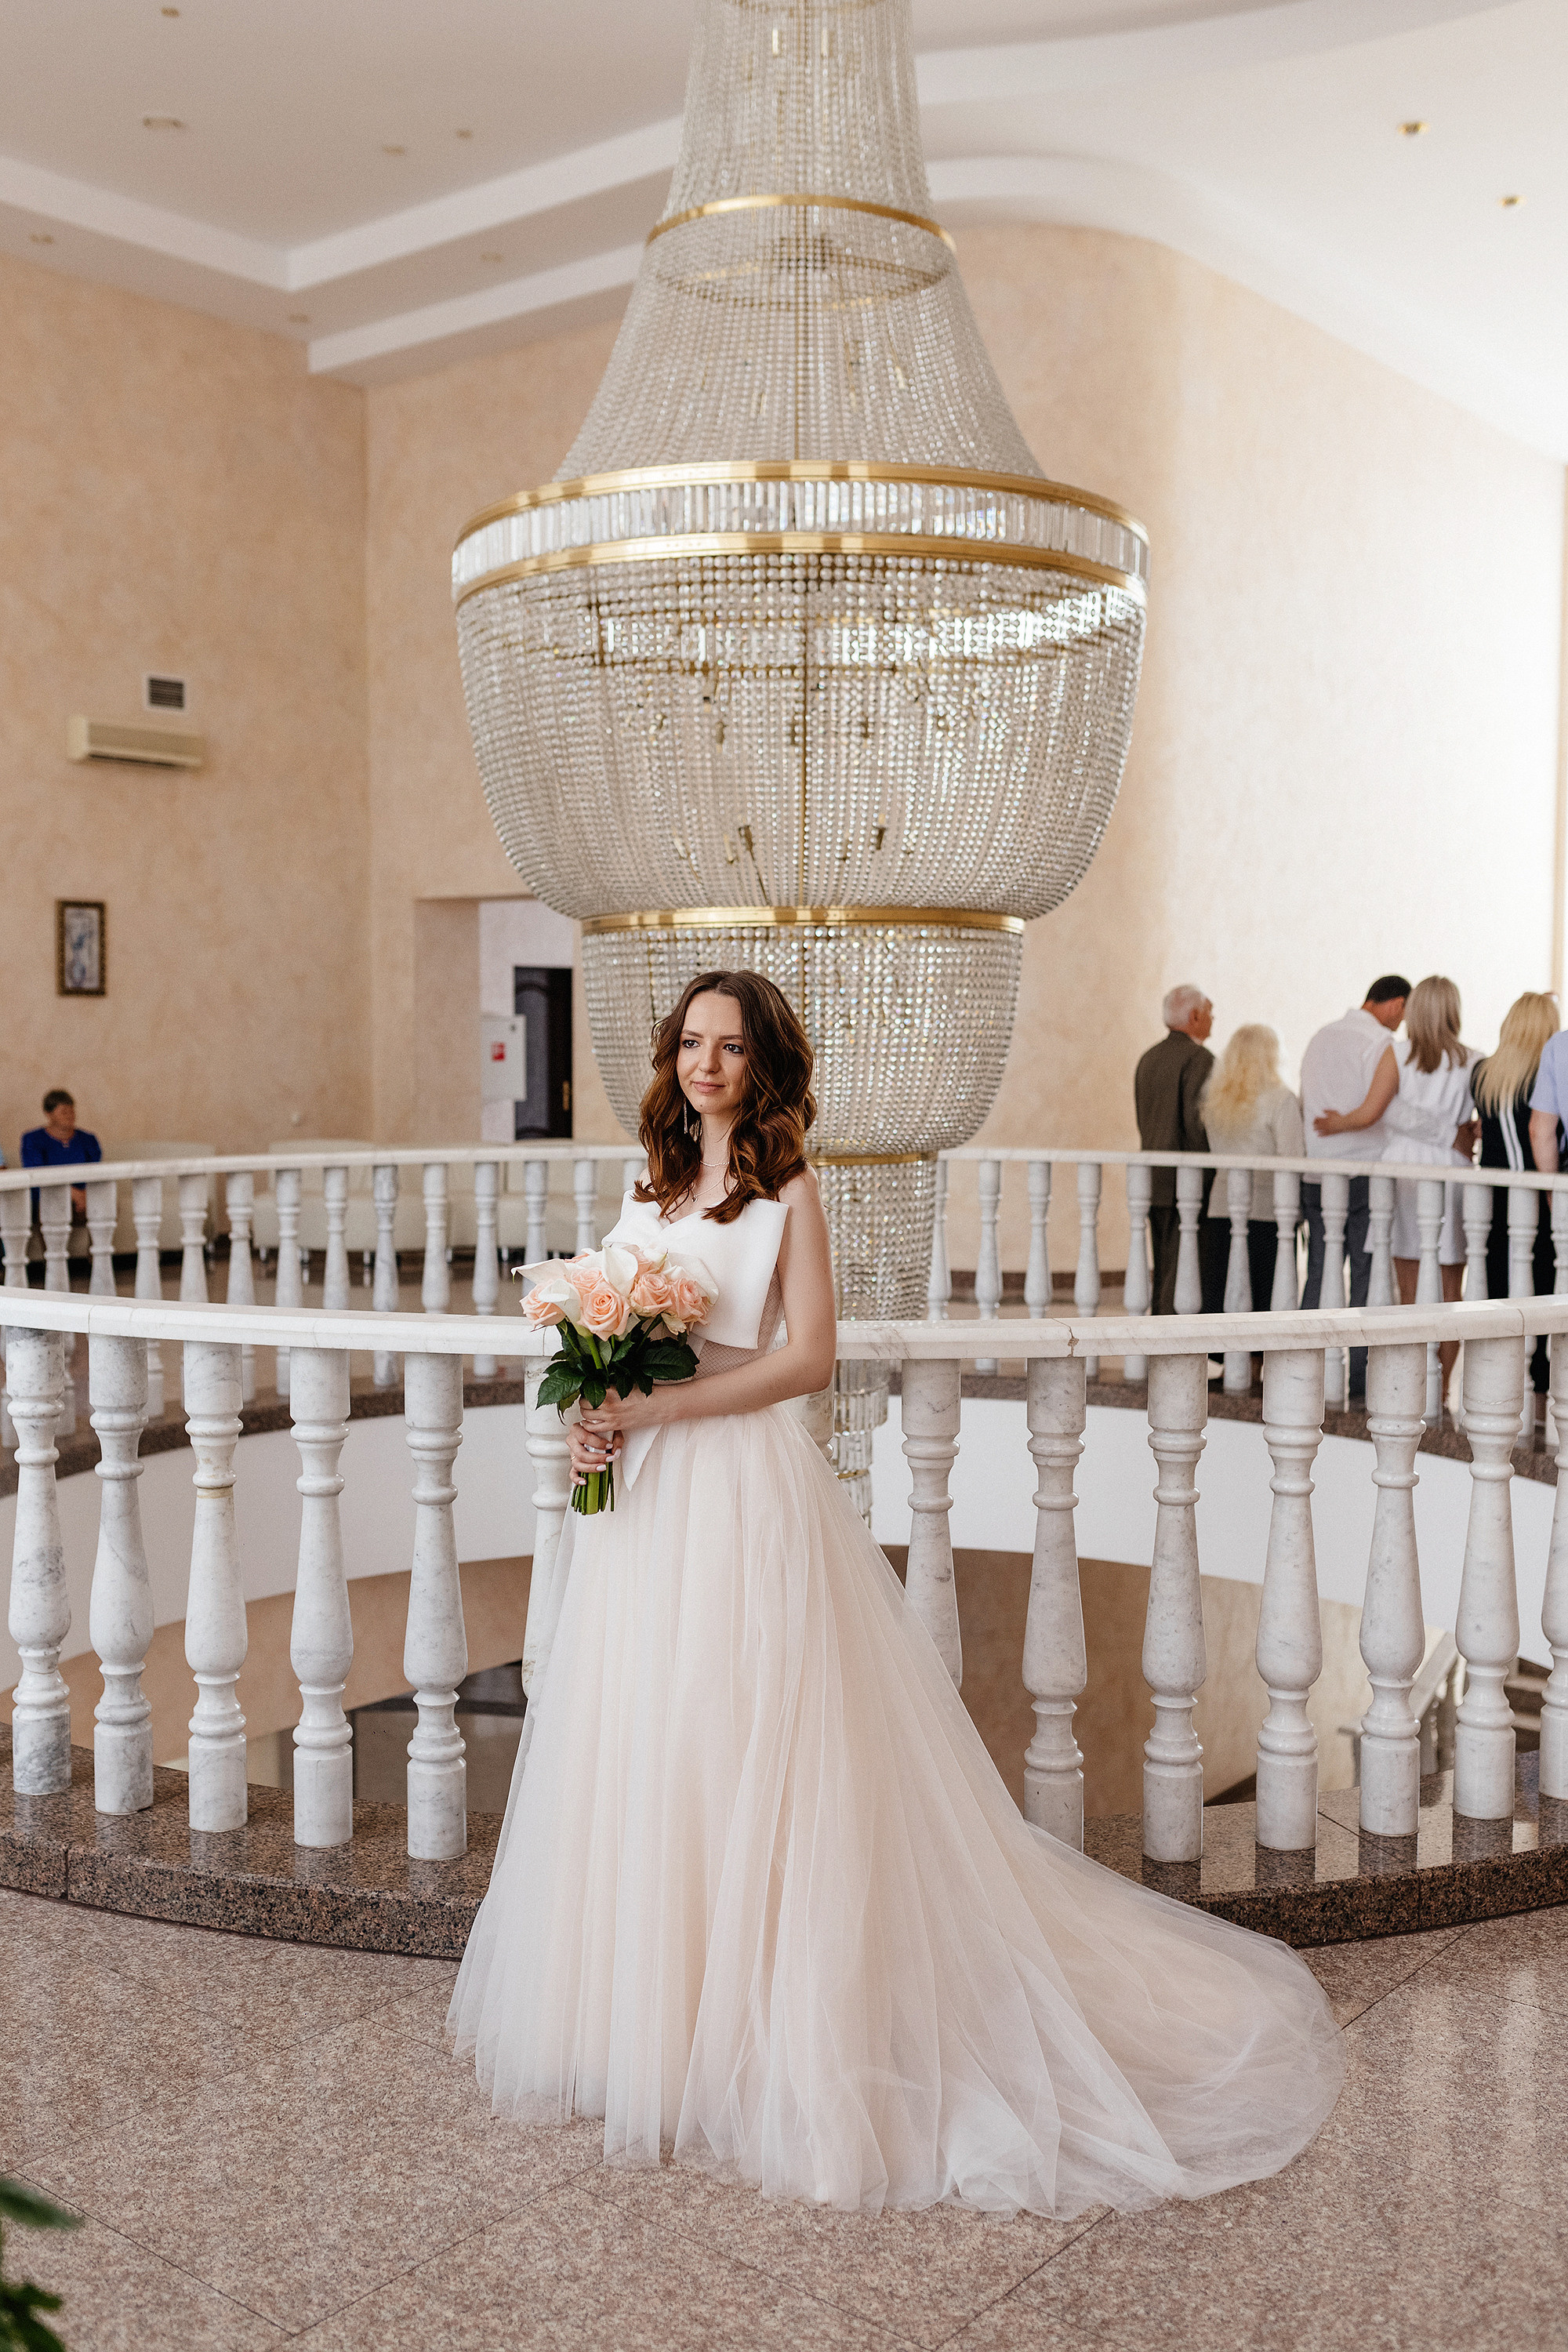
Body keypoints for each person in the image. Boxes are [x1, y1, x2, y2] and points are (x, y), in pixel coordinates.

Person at [449, 967, 1343, 2216]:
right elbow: (621, 1334)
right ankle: (653, 2024)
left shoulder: (791, 1191)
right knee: (648, 1738)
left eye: (731, 1046)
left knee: (743, 1737)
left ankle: (775, 2025)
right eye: (692, 1042)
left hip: (740, 1487)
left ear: (766, 1065)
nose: (707, 1064)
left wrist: (654, 1403)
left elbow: (803, 1357)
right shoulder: (648, 1183)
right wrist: (603, 1413)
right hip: (645, 1501)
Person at [1314, 975, 1476, 1408]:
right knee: (1449, 1288)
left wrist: (1335, 1124)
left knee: (1408, 1289)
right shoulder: (1476, 1061)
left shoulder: (1398, 1053)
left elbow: (1375, 1110)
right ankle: (1440, 1390)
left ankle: (1413, 1384)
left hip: (1404, 1172)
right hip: (1451, 1174)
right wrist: (1459, 1134)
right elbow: (1480, 1123)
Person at [1298, 976, 1410, 1399]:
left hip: (1316, 1173)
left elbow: (1304, 1099)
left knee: (1320, 1273)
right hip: (1365, 1176)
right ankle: (1360, 1379)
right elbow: (1386, 1110)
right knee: (1365, 1275)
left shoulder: (1319, 1037)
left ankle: (1306, 1375)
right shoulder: (1382, 1044)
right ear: (1396, 1005)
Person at [1473, 992, 1559, 1421]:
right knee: (1540, 1286)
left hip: (1492, 1200)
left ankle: (1498, 1376)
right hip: (1537, 1198)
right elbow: (1541, 1133)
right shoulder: (1540, 1074)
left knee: (1497, 1285)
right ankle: (1538, 1377)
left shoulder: (1483, 1073)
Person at [1134, 985, 1225, 1318]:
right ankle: (1167, 1346)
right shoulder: (1201, 1059)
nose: (1214, 1019)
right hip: (1186, 1181)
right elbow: (1198, 1125)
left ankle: (1154, 1336)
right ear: (1195, 1016)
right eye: (1210, 1011)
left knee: (1163, 1265)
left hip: (1152, 1178)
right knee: (1183, 1267)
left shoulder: (1148, 1058)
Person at [1199, 1025, 1305, 1312]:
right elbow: (1294, 1158)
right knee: (1263, 1301)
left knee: (1226, 1296)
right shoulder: (1281, 1099)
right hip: (1266, 1211)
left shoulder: (1216, 1100)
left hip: (1222, 1207)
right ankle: (1258, 1361)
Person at [20, 1088, 102, 1227]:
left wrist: (84, 1195)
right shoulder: (33, 1139)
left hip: (84, 1197)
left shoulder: (88, 1139)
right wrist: (72, 1193)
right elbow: (36, 1173)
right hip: (47, 1198)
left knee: (104, 1205)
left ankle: (94, 1248)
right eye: (64, 1112)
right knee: (51, 1208)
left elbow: (96, 1172)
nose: (70, 1116)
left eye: (72, 1111)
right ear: (49, 1114)